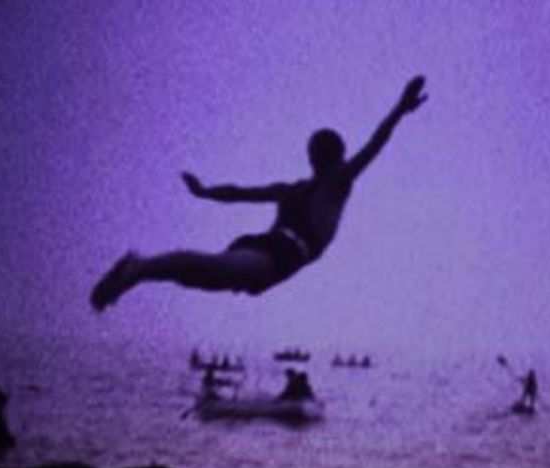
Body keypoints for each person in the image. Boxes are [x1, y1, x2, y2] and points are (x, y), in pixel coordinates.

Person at [90, 75, 429, 311]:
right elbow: (376, 142)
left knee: (204, 278)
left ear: (312, 158)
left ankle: (141, 270)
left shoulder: (293, 189)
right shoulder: (338, 181)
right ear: (337, 157)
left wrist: (206, 192)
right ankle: (138, 268)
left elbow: (241, 193)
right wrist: (400, 109)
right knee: (210, 272)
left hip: (264, 246)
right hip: (281, 254)